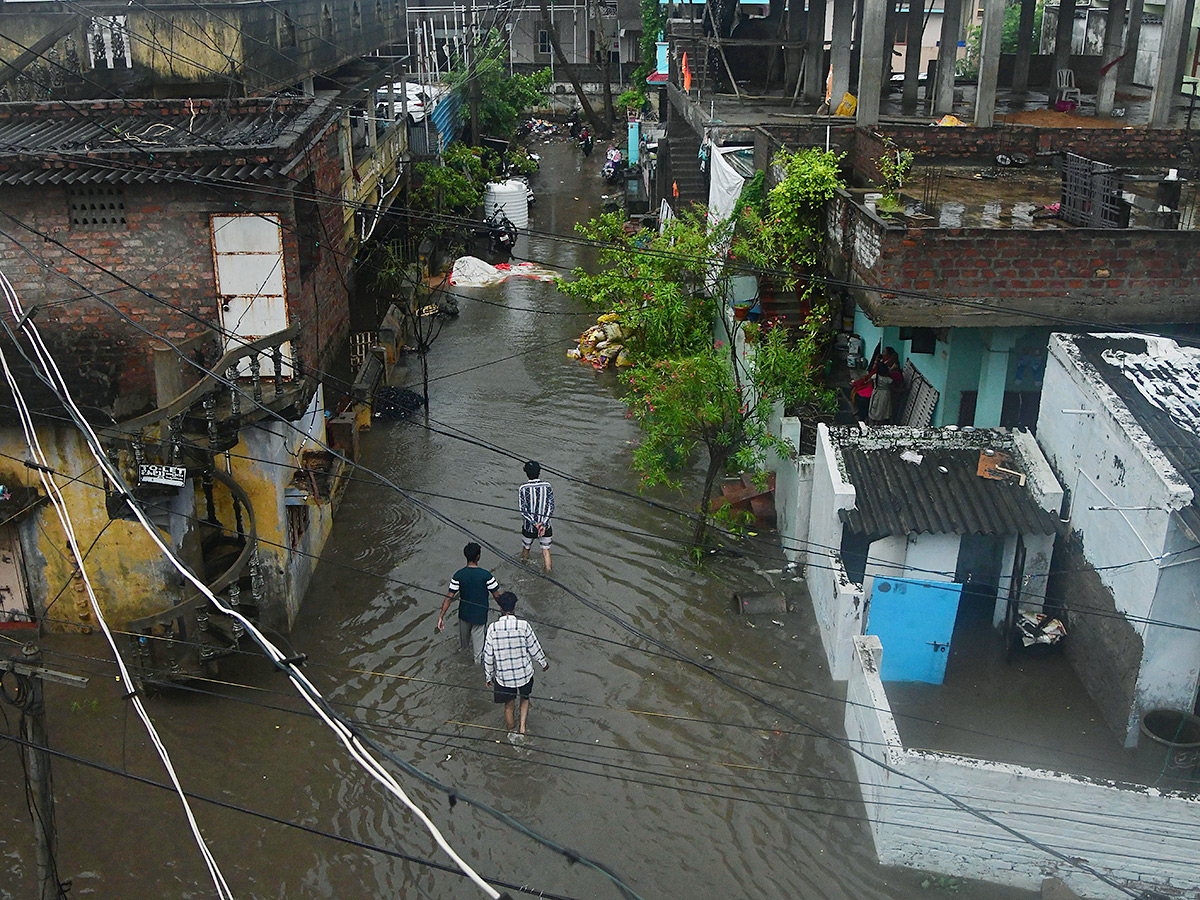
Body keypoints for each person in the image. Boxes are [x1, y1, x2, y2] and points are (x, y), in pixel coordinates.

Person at [482, 591, 549, 735]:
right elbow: (534, 647)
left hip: (504, 677)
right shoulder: (524, 625)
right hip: (524, 674)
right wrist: (543, 663)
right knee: (525, 698)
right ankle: (523, 728)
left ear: (499, 607)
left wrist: (488, 676)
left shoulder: (493, 628)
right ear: (515, 607)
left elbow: (488, 655)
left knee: (508, 705)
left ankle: (511, 733)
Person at [437, 542, 501, 663]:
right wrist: (505, 612)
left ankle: (463, 664)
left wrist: (441, 617)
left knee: (464, 647)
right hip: (480, 617)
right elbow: (497, 596)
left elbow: (448, 598)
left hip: (464, 616)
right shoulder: (486, 575)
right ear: (478, 556)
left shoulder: (458, 575)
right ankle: (478, 676)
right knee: (478, 654)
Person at [851, 346, 903, 424]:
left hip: (881, 393)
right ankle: (864, 415)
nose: (882, 354)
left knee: (877, 407)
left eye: (884, 352)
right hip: (878, 390)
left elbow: (892, 385)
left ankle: (868, 418)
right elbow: (871, 375)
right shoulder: (883, 364)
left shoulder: (891, 368)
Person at [518, 460, 554, 572]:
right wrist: (542, 523)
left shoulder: (523, 488)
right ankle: (548, 573)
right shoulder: (547, 486)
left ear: (527, 473)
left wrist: (535, 524)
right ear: (539, 472)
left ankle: (523, 569)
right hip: (545, 527)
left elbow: (523, 510)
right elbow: (551, 507)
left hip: (529, 527)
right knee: (546, 550)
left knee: (526, 548)